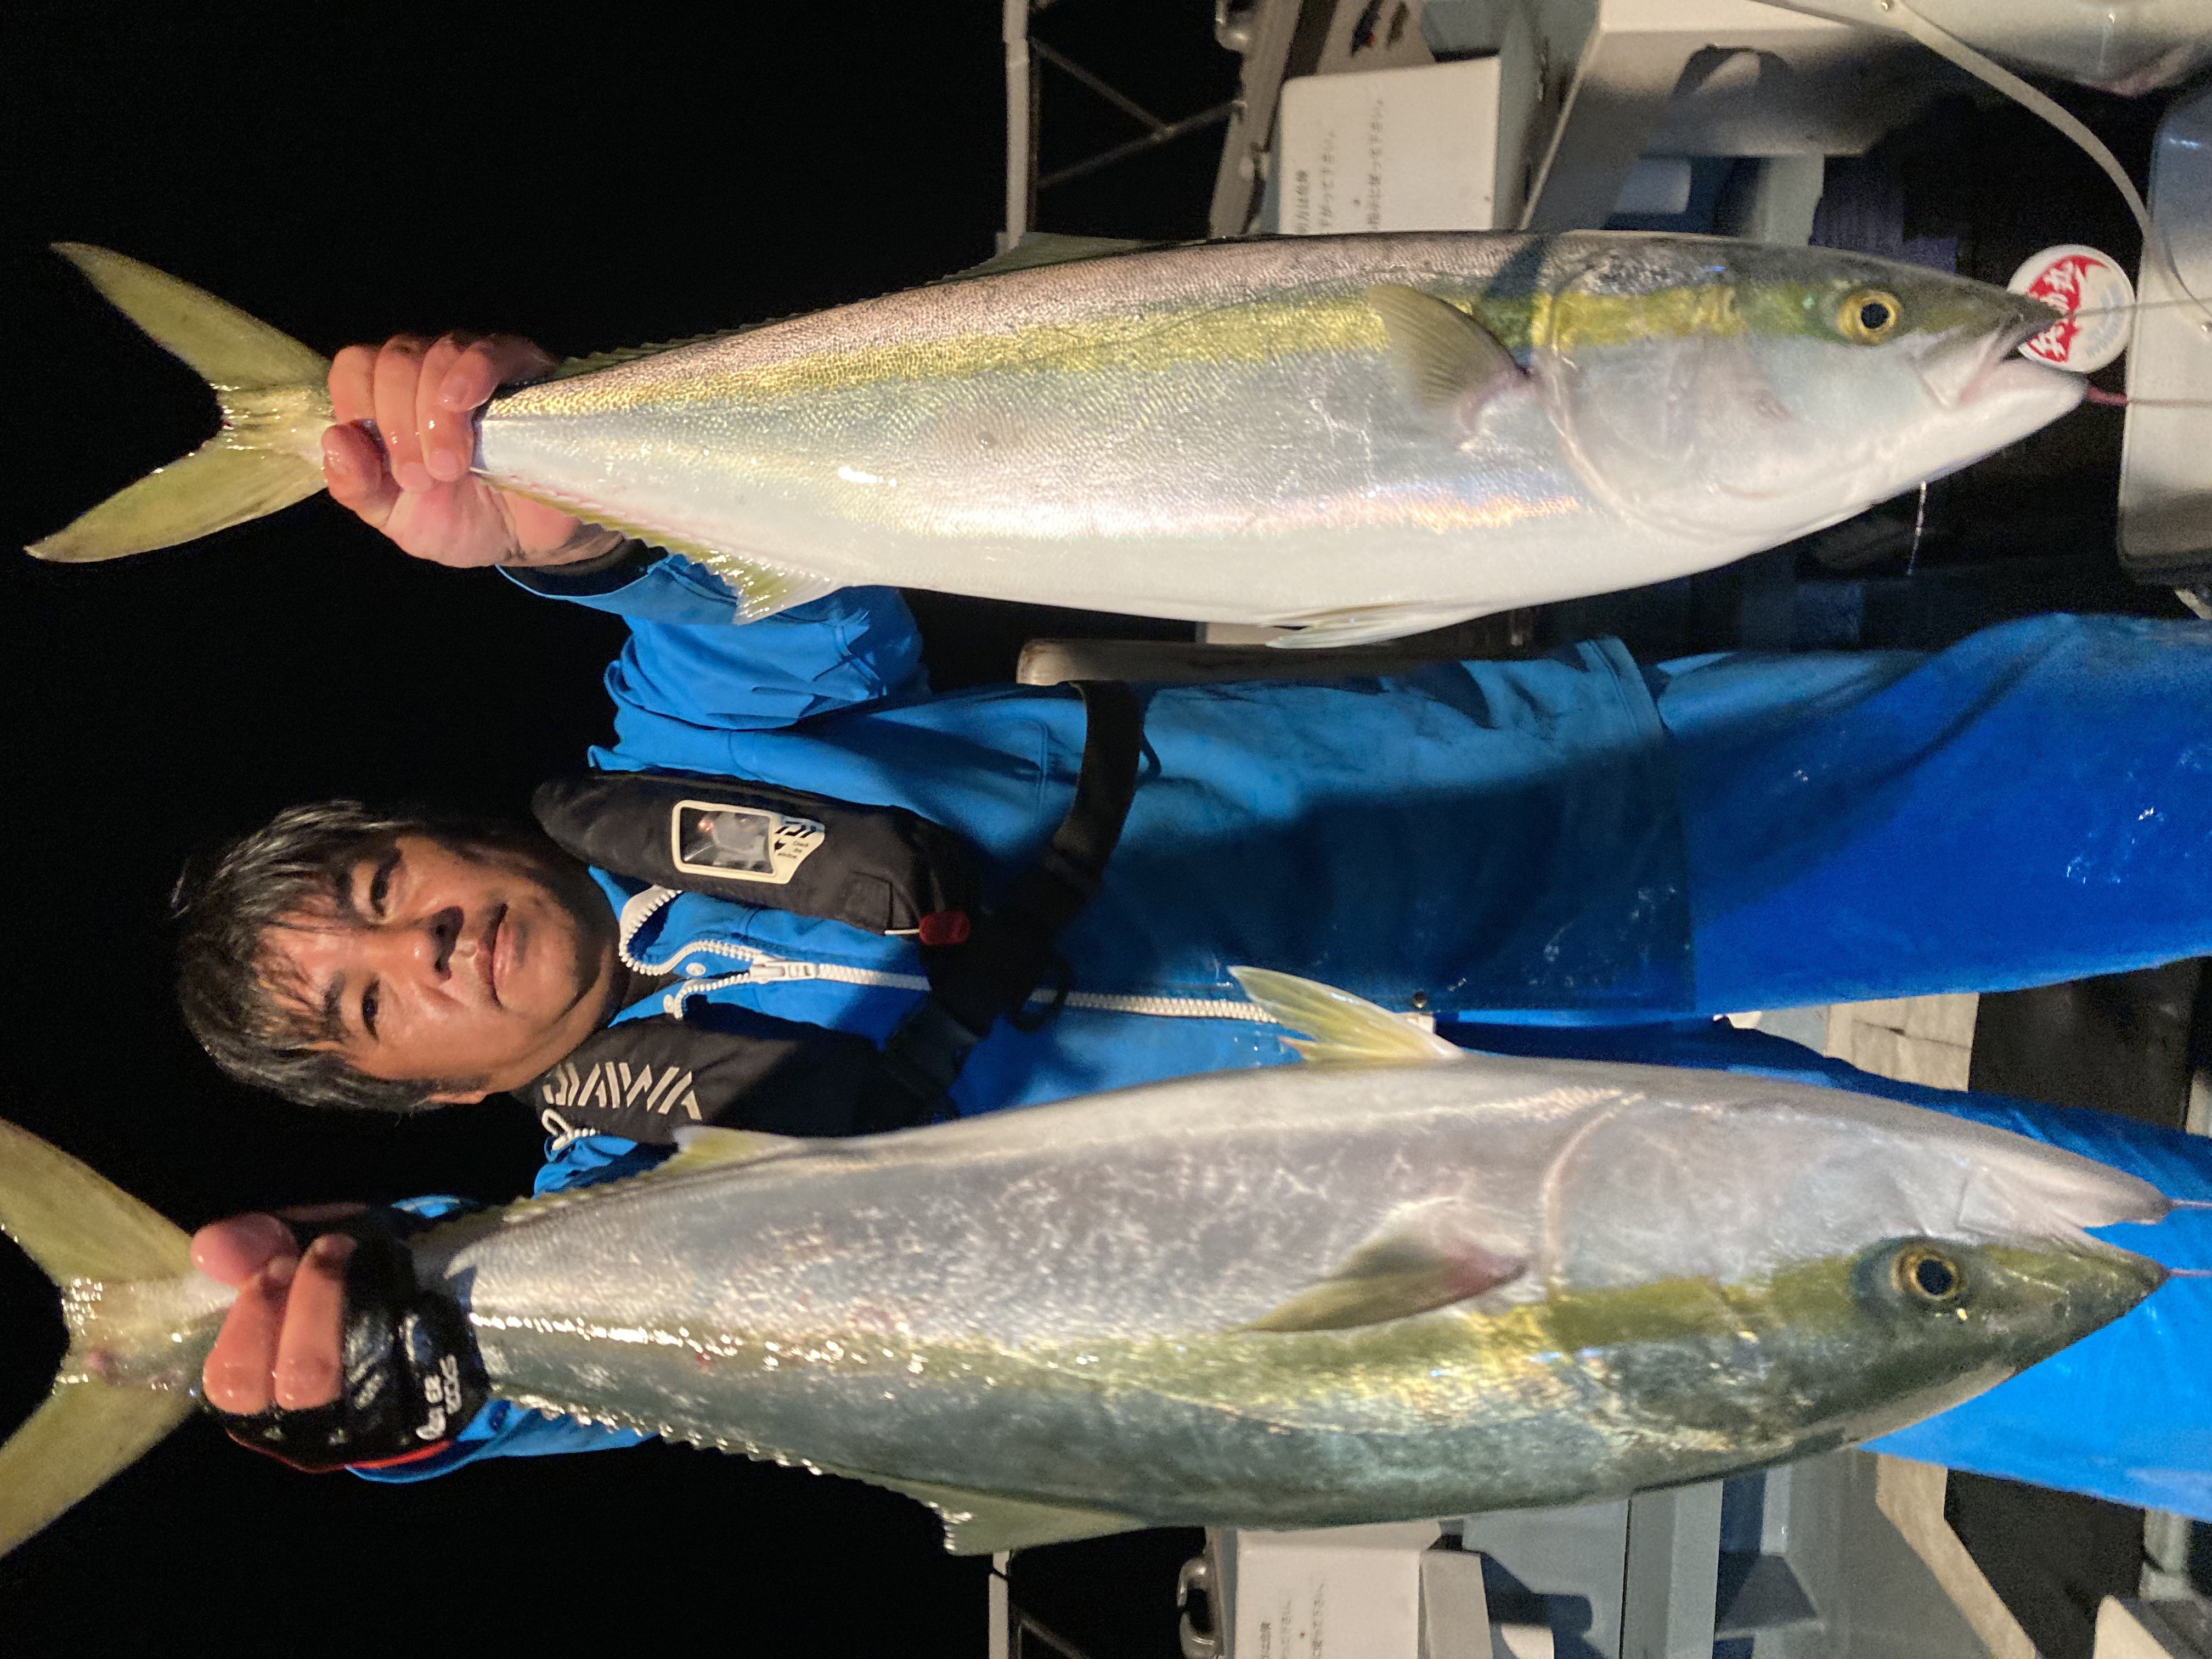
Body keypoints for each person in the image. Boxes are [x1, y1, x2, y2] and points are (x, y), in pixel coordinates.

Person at [184, 331, 2212, 1513]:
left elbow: (737, 580)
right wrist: (392, 1368)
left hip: (1568, 827)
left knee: (2141, 780)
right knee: (2070, 1306)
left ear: (440, 836)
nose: (422, 951)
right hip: (1485, 1256)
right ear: (414, 1100)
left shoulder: (700, 741)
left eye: (382, 895)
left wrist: (576, 509)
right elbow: (573, 1361)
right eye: (368, 1010)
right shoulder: (634, 1201)